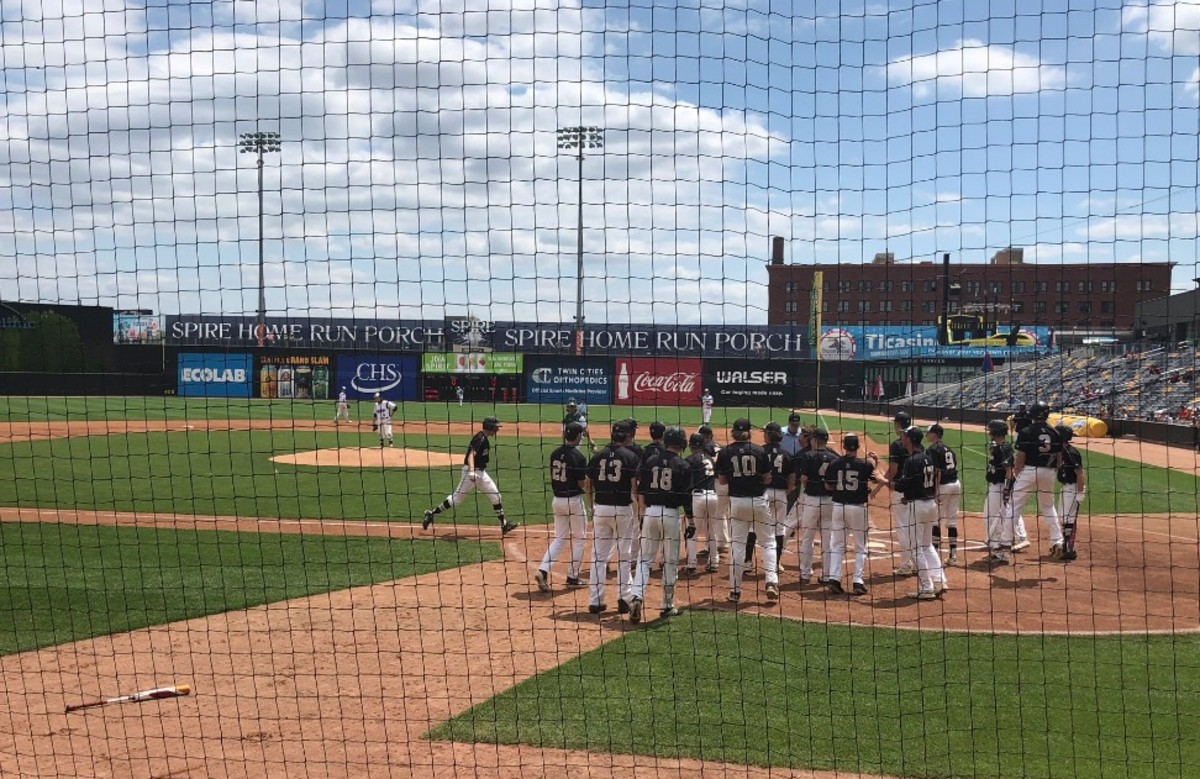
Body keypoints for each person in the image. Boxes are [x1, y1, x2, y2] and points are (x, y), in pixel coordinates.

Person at [629, 427, 694, 623]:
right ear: (682, 444)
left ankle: (637, 596)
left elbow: (641, 491)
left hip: (650, 512)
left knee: (644, 559)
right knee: (670, 561)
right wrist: (690, 520)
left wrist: (642, 516)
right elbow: (687, 497)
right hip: (671, 515)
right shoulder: (683, 465)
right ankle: (666, 605)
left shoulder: (650, 460)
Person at [715, 418, 778, 602]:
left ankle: (735, 591)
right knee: (768, 543)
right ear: (749, 433)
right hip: (758, 501)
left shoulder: (725, 452)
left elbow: (722, 481)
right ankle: (771, 581)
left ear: (733, 432)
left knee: (737, 546)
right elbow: (767, 479)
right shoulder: (759, 450)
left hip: (736, 503)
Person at [421, 417, 518, 535]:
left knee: (496, 496)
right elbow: (471, 455)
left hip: (481, 473)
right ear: (490, 427)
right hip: (470, 473)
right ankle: (430, 515)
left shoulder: (485, 438)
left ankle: (504, 525)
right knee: (457, 500)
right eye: (496, 427)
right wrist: (472, 471)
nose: (497, 429)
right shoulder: (480, 438)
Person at [586, 422, 642, 615]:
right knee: (624, 554)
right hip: (622, 508)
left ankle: (595, 601)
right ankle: (624, 599)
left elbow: (588, 484)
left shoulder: (598, 455)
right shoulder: (631, 457)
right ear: (627, 437)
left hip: (601, 508)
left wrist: (591, 505)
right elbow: (635, 487)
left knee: (598, 557)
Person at [534, 421, 589, 592]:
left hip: (557, 500)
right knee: (579, 538)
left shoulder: (555, 453)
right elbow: (581, 482)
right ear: (578, 436)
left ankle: (543, 570)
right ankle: (573, 576)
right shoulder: (579, 457)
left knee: (559, 538)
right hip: (573, 501)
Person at [823, 434, 881, 595]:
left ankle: (834, 578)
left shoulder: (834, 463)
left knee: (837, 545)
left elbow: (828, 487)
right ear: (858, 446)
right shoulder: (865, 465)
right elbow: (876, 480)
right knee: (860, 546)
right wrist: (876, 462)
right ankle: (857, 581)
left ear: (844, 446)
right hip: (857, 508)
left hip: (838, 507)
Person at [894, 426, 945, 599]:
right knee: (927, 545)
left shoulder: (911, 460)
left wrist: (881, 478)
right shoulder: (927, 458)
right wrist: (908, 496)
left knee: (916, 547)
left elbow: (903, 485)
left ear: (909, 439)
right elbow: (921, 483)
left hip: (917, 507)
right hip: (930, 504)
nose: (902, 438)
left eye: (905, 436)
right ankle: (939, 581)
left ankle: (926, 587)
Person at [1009, 400, 1063, 556]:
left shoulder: (1027, 431)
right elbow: (1059, 458)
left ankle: (1004, 542)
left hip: (1030, 470)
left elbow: (1021, 455)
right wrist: (1054, 470)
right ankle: (1057, 541)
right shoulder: (1055, 432)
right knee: (1048, 506)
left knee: (1014, 505)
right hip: (1049, 471)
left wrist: (1016, 472)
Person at [796, 427, 839, 583]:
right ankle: (827, 575)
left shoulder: (808, 456)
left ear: (814, 440)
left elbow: (804, 479)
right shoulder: (834, 457)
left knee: (807, 538)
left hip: (812, 500)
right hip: (829, 502)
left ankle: (805, 573)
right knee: (828, 539)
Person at [884, 411, 916, 575]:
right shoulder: (918, 442)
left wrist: (880, 484)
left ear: (898, 425)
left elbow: (893, 469)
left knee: (902, 527)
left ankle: (906, 564)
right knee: (914, 528)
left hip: (901, 489)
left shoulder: (897, 444)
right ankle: (917, 563)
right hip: (916, 491)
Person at [684, 432, 721, 573]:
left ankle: (691, 564)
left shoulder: (689, 460)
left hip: (698, 497)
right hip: (713, 497)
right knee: (711, 530)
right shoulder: (710, 459)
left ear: (690, 445)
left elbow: (687, 485)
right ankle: (714, 562)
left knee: (692, 530)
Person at [925, 423, 962, 565]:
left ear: (934, 434)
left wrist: (935, 492)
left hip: (944, 486)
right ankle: (953, 556)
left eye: (928, 433)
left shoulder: (933, 449)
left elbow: (937, 472)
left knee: (935, 521)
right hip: (956, 485)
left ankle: (934, 554)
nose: (926, 435)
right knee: (952, 521)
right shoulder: (949, 449)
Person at [761, 422, 795, 573]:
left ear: (768, 435)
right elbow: (792, 478)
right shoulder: (786, 454)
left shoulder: (759, 451)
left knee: (754, 527)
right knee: (779, 529)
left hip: (763, 493)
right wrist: (786, 492)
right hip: (781, 493)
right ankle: (776, 564)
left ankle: (748, 561)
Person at [983, 419, 1016, 564]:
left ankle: (999, 551)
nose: (989, 432)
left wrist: (1007, 489)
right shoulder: (999, 446)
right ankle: (998, 549)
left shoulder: (1004, 448)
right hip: (996, 486)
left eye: (991, 430)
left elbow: (1009, 470)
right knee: (990, 515)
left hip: (1001, 487)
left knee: (995, 517)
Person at [1054, 424, 1086, 561]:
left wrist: (1080, 492)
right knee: (1062, 517)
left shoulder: (1071, 452)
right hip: (1065, 488)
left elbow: (1079, 473)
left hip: (1073, 488)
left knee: (1068, 519)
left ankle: (1069, 549)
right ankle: (1064, 545)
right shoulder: (1061, 451)